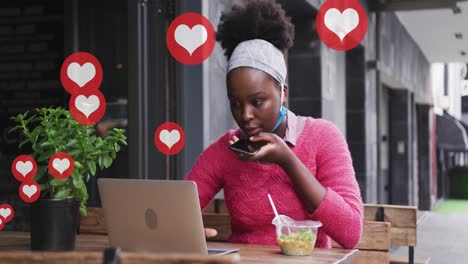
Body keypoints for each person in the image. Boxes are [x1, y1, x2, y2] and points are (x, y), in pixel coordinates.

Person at [186, 0, 363, 249]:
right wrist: (187, 231)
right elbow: (180, 209)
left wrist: (288, 161)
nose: (245, 115)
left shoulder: (324, 137)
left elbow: (351, 231)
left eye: (257, 101)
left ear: (283, 93)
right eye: (235, 103)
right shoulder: (226, 150)